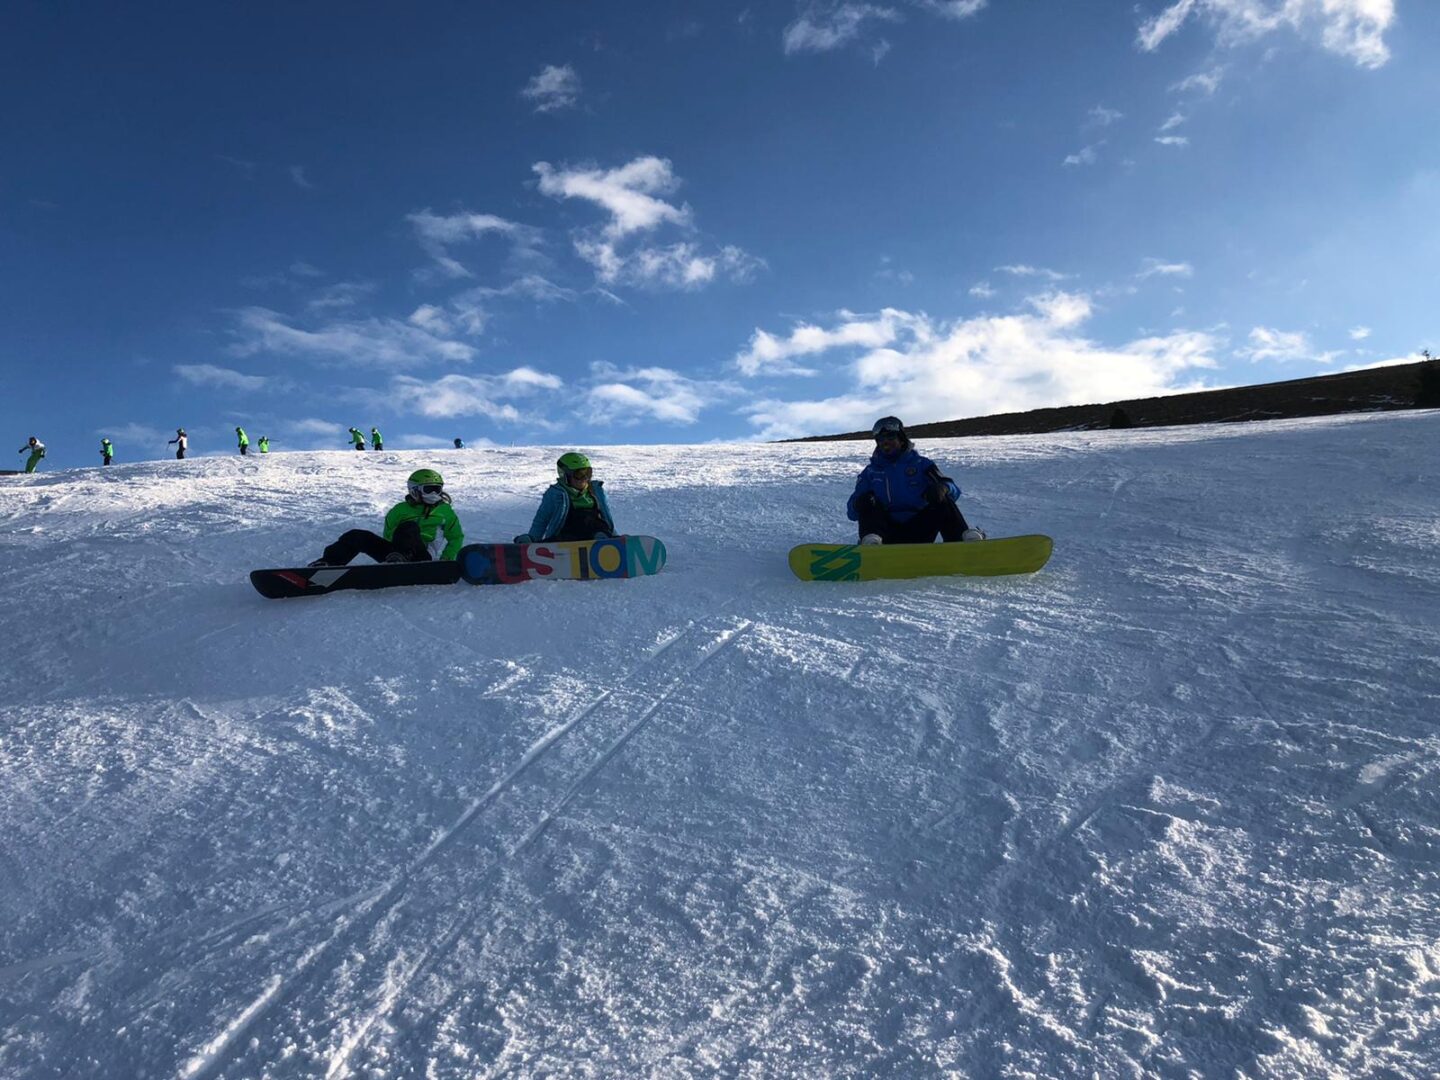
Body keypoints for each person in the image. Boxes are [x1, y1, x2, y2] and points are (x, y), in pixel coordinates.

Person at [846, 416, 984, 545]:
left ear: (901, 439)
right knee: (866, 499)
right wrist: (859, 503)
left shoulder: (922, 465)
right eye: (881, 439)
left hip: (919, 528)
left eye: (890, 437)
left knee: (941, 496)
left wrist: (943, 488)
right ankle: (871, 545)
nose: (885, 442)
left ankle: (961, 542)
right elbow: (852, 512)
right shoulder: (870, 472)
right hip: (885, 534)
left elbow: (953, 489)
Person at [309, 469, 464, 567]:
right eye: (429, 489)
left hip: (422, 555)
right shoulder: (400, 510)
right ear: (414, 491)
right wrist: (397, 549)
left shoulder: (445, 512)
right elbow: (389, 533)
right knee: (357, 536)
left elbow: (456, 537)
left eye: (438, 489)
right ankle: (328, 564)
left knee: (409, 528)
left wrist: (446, 559)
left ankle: (401, 559)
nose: (434, 494)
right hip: (394, 554)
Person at [514, 452, 615, 543]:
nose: (584, 478)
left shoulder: (596, 490)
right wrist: (532, 539)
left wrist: (615, 536)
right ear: (565, 475)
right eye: (579, 474)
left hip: (595, 531)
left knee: (600, 530)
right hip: (568, 534)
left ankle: (604, 542)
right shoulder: (555, 493)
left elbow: (606, 516)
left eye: (588, 473)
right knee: (559, 539)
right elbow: (542, 520)